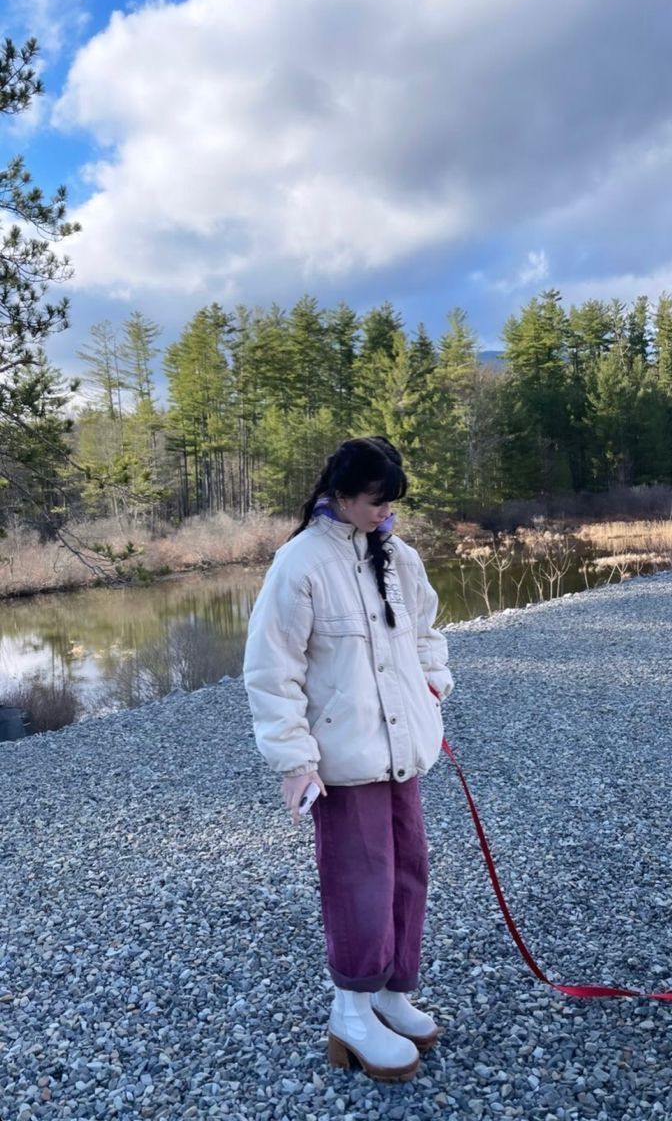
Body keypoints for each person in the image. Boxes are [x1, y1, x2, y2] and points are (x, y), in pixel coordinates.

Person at [243, 436, 453, 1082]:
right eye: (373, 502)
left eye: (391, 504)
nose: (383, 515)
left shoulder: (400, 558)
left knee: (407, 871)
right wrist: (293, 762)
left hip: (402, 751)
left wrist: (432, 687)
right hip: (340, 761)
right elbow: (270, 670)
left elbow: (426, 632)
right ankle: (351, 1012)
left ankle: (392, 994)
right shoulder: (298, 563)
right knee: (358, 884)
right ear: (338, 494)